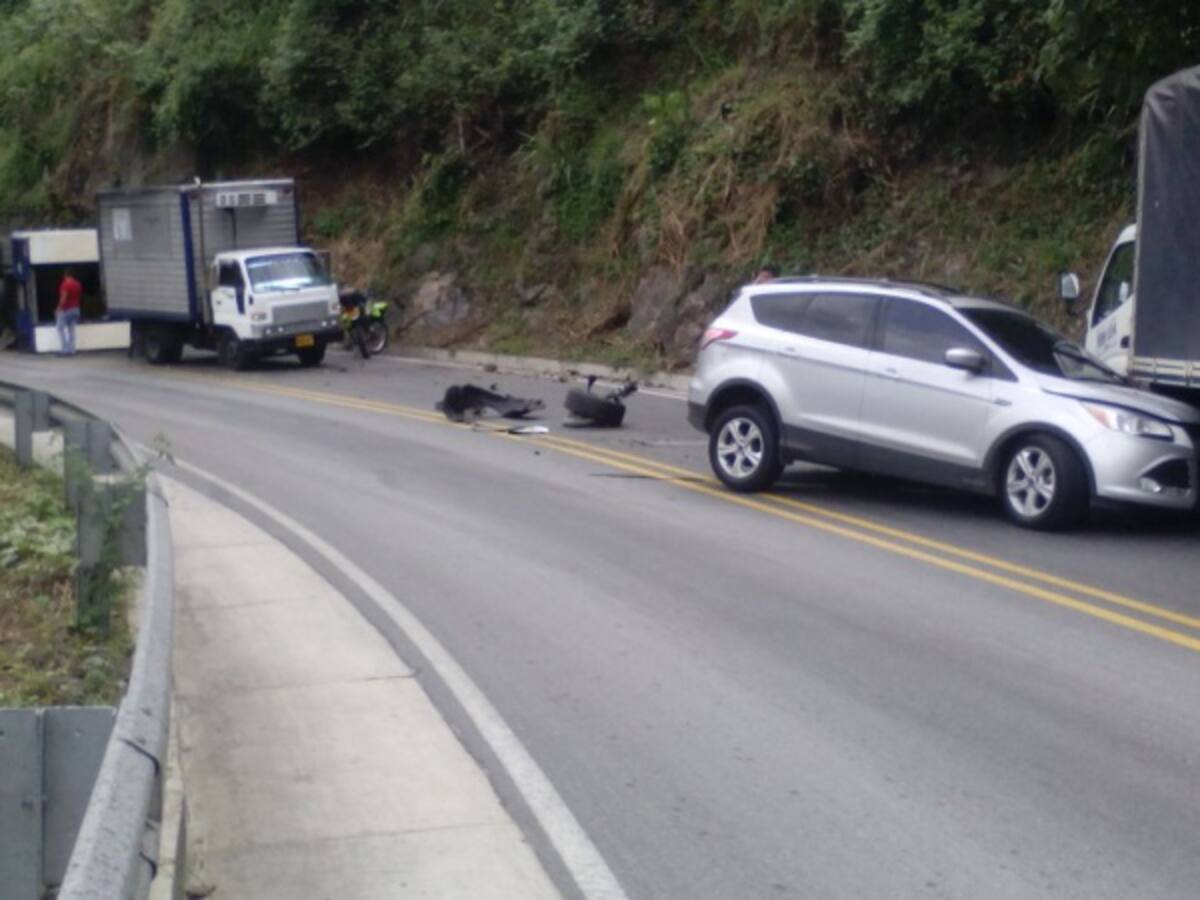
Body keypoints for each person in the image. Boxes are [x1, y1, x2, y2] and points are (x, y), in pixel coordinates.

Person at [56, 269, 82, 356]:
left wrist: (58, 308)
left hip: (66, 309)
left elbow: (64, 297)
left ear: (65, 275)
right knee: (72, 330)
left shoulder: (65, 284)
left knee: (60, 328)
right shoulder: (77, 284)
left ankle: (65, 349)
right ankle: (72, 349)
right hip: (76, 309)